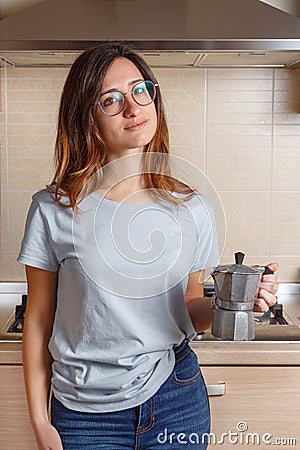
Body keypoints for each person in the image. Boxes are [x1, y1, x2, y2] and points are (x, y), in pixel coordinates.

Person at [18, 42, 279, 450]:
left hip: (175, 394)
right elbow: (37, 319)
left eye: (141, 90)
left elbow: (190, 307)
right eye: (111, 99)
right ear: (85, 117)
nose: (133, 107)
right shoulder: (54, 209)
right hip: (84, 414)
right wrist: (39, 420)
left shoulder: (192, 207)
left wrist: (236, 301)